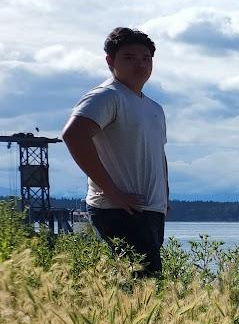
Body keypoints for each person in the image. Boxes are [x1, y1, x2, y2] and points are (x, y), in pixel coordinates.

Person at [61, 27, 169, 278]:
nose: (140, 65)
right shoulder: (106, 96)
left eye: (146, 58)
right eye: (129, 58)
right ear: (111, 61)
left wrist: (165, 195)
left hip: (150, 209)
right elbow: (74, 135)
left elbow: (157, 153)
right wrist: (111, 191)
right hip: (119, 209)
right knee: (146, 284)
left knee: (141, 283)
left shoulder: (153, 107)